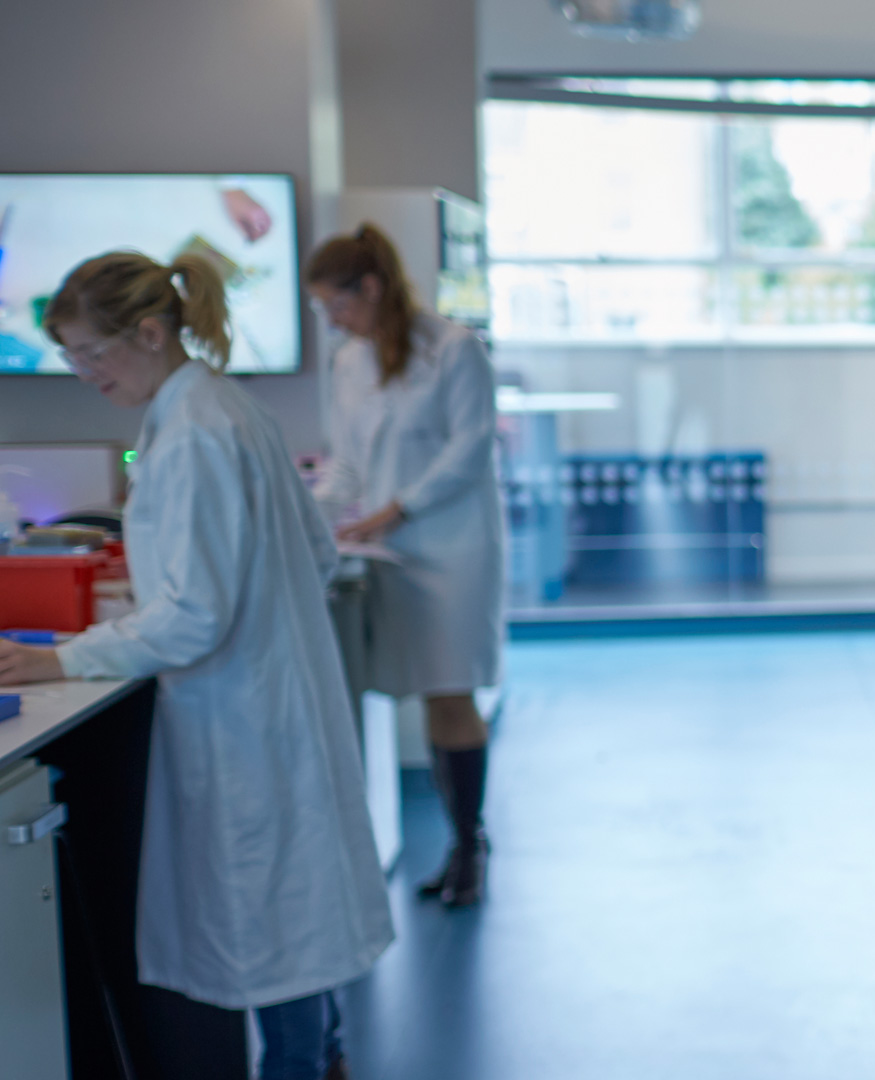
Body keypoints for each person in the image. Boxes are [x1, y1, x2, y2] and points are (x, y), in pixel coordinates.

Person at [0, 251, 392, 1080]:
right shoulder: (225, 408)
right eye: (69, 356)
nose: (80, 374)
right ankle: (319, 1061)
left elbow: (192, 620)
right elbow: (313, 552)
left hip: (241, 723)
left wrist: (60, 658)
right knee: (291, 925)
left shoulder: (189, 435)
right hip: (272, 708)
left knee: (272, 927)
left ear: (149, 332)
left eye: (90, 353)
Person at [305, 225, 505, 908]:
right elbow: (346, 464)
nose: (334, 321)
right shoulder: (348, 363)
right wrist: (310, 509)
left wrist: (396, 506)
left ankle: (468, 845)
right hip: (386, 549)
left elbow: (470, 449)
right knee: (421, 692)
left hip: (452, 547)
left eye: (339, 306)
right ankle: (458, 845)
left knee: (451, 693)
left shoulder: (454, 349)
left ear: (373, 287)